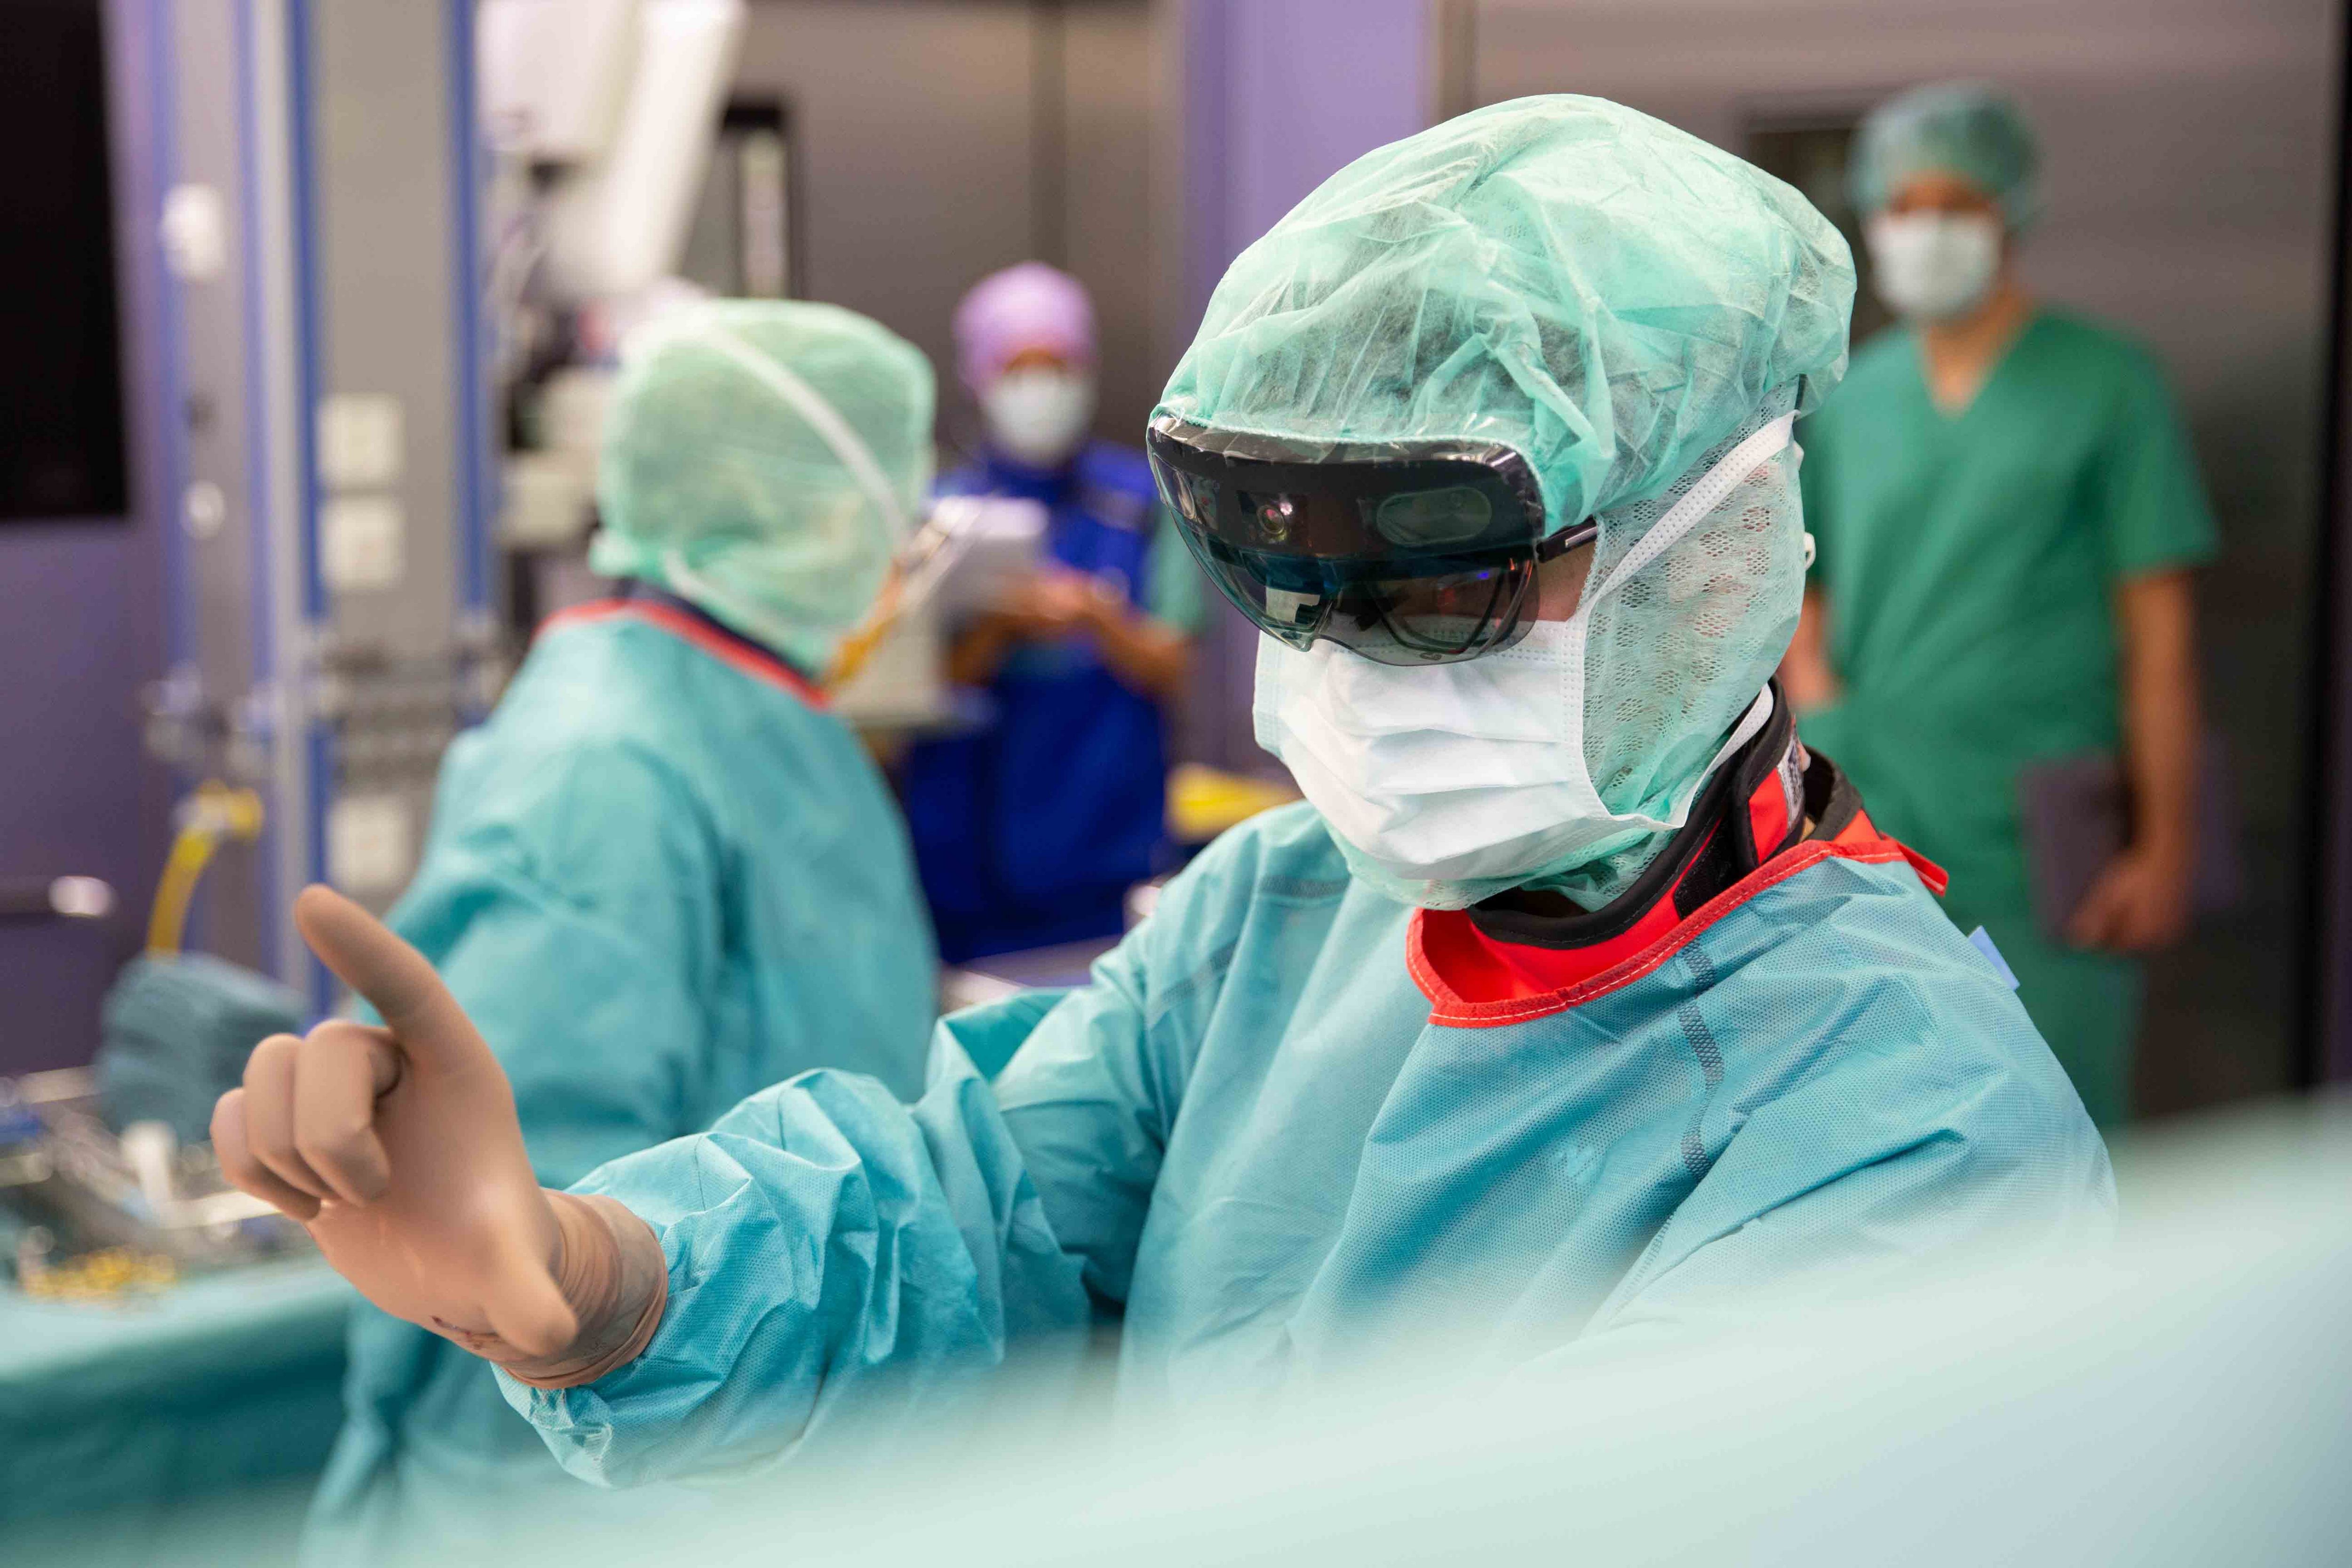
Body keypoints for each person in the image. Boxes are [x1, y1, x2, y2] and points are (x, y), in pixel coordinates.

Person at [214, 99, 2114, 1497]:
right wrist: (591, 1276)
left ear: (1709, 547)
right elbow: (966, 1211)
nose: (1344, 664)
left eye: (1438, 578)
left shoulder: (1909, 1143)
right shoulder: (1282, 918)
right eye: (1284, 579)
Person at [299, 300, 942, 1562]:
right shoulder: (603, 767)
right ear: (823, 519)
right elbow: (521, 1235)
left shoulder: (757, 724)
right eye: (896, 520)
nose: (904, 562)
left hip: (750, 1430)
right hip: (571, 1493)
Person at [1780, 83, 2217, 1128]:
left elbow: (2161, 640)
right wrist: (1826, 701)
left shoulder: (2106, 384)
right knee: (1889, 1127)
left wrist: (2165, 847)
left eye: (1955, 203)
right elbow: (1800, 585)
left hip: (2049, 840)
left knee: (2056, 1125)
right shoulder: (1853, 397)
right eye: (1903, 203)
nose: (1924, 228)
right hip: (1876, 824)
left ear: (2008, 210)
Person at [898, 263, 1205, 961]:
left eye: (1058, 366)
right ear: (980, 376)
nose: (1041, 389)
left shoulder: (1143, 503)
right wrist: (999, 626)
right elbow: (911, 696)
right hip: (967, 872)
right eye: (1019, 368)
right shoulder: (938, 516)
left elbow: (1174, 663)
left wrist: (1096, 619)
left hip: (1104, 855)